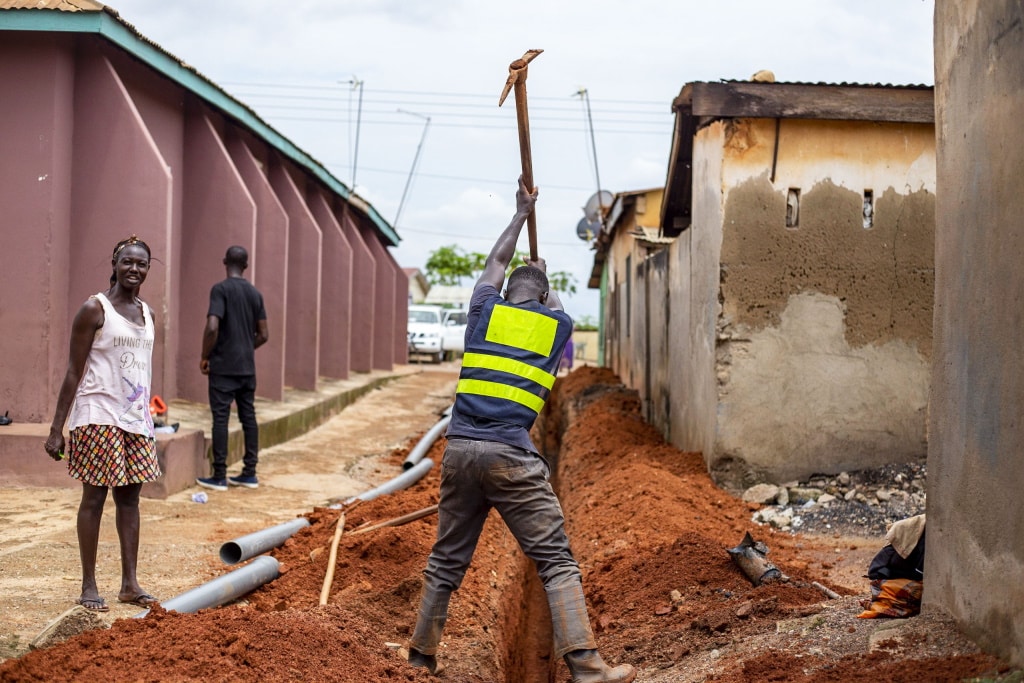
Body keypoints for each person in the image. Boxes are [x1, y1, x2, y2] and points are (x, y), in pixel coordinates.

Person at [406, 178, 636, 683]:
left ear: (506, 292)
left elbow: (493, 265)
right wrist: (545, 283)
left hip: (461, 450)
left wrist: (519, 214)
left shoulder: (483, 314)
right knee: (554, 561)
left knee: (446, 560)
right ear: (546, 295)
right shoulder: (555, 327)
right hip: (511, 457)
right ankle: (588, 670)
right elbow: (551, 307)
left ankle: (420, 657)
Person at [44, 235, 161, 612]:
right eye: (127, 261)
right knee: (94, 498)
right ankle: (89, 584)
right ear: (114, 264)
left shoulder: (148, 314)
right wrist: (56, 428)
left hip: (136, 419)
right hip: (97, 415)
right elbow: (73, 371)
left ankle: (130, 583)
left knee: (130, 499)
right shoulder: (95, 309)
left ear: (147, 269)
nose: (134, 269)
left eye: (141, 263)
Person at [196, 246, 268, 491]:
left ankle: (219, 476)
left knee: (221, 419)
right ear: (246, 265)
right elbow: (264, 334)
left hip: (223, 368)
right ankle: (249, 473)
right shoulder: (255, 294)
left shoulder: (220, 290)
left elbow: (212, 327)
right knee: (249, 417)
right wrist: (246, 347)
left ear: (225, 262)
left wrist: (205, 355)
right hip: (247, 369)